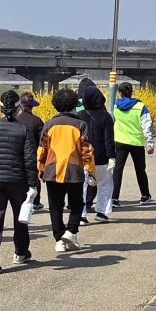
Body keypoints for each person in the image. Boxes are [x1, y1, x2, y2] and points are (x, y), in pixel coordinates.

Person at [0, 90, 40, 273]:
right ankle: (20, 252)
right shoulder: (24, 128)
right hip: (17, 179)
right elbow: (29, 159)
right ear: (19, 108)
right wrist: (33, 184)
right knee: (20, 217)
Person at [37, 87, 95, 254]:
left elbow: (42, 150)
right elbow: (87, 151)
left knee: (55, 206)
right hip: (74, 170)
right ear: (73, 106)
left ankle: (59, 240)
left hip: (51, 170)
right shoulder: (81, 124)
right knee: (77, 204)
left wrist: (40, 170)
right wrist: (91, 171)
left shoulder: (49, 124)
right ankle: (71, 231)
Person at [77, 81, 117, 223]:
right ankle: (101, 212)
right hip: (101, 157)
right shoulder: (106, 116)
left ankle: (81, 215)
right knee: (104, 184)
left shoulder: (79, 115)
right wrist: (111, 156)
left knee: (82, 186)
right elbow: (109, 139)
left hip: (83, 157)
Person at [112, 82, 155, 206]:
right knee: (140, 170)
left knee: (117, 170)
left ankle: (114, 198)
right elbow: (147, 126)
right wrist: (150, 143)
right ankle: (145, 196)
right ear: (132, 92)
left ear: (119, 93)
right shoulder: (140, 106)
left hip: (120, 141)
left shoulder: (114, 105)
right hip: (136, 142)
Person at [14, 92, 45, 211]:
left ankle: (21, 200)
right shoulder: (37, 120)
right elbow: (42, 140)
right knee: (34, 177)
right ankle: (35, 202)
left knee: (21, 178)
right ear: (32, 106)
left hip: (17, 153)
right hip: (33, 153)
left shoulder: (16, 120)